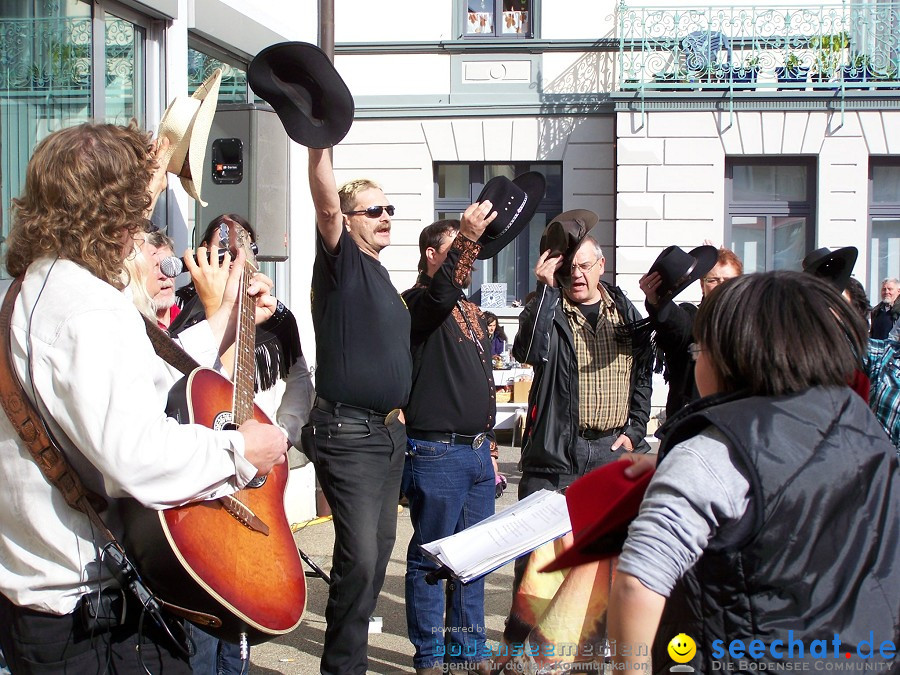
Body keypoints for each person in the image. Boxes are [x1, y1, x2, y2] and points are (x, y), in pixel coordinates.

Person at [0, 121, 289, 672]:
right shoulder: (89, 305)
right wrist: (239, 452)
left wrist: (224, 319)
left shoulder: (35, 288)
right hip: (92, 622)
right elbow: (135, 455)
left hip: (42, 613)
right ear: (118, 209)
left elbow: (152, 383)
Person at [606, 271, 899, 674]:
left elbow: (637, 583)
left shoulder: (710, 451)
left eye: (699, 350)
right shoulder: (857, 422)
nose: (696, 360)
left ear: (734, 356)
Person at [303, 147, 411, 675]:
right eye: (374, 210)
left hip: (387, 436)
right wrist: (317, 138)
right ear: (348, 222)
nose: (386, 216)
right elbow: (324, 204)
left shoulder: (382, 276)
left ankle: (352, 658)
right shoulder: (341, 260)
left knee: (379, 550)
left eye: (389, 209)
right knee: (361, 557)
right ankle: (341, 669)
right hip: (348, 433)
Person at [402, 212, 499, 675]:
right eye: (456, 249)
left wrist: (492, 449)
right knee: (431, 559)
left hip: (477, 452)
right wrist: (470, 238)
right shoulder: (417, 302)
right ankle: (431, 657)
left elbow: (482, 379)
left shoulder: (471, 310)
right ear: (430, 255)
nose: (470, 262)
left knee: (474, 558)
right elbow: (441, 293)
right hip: (437, 451)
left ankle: (469, 651)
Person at [512, 211, 654, 501]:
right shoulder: (547, 308)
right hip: (560, 452)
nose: (577, 273)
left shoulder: (624, 311)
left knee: (609, 543)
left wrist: (636, 428)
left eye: (585, 265)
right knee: (553, 545)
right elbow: (528, 352)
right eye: (571, 266)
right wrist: (546, 289)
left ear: (601, 265)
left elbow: (643, 373)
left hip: (614, 448)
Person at [639, 247, 742, 417]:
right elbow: (674, 322)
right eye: (713, 280)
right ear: (702, 285)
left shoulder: (751, 324)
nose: (721, 285)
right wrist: (656, 300)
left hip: (737, 420)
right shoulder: (692, 317)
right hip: (692, 421)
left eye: (728, 279)